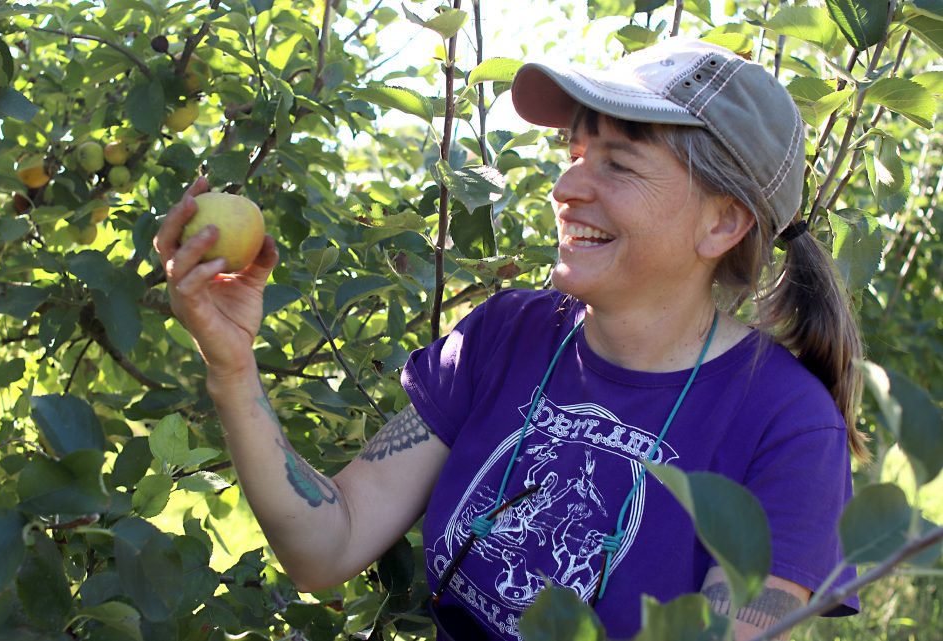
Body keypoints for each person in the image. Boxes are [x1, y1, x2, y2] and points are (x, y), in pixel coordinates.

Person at [153, 37, 864, 641]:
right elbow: (327, 541)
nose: (564, 184)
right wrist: (233, 365)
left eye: (617, 163)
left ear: (722, 223)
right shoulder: (508, 335)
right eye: (574, 151)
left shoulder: (788, 426)